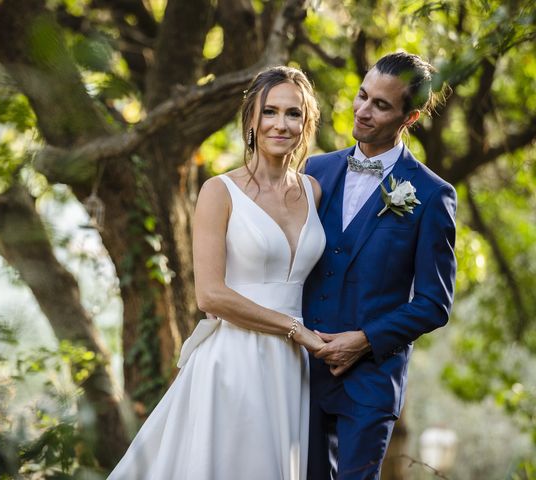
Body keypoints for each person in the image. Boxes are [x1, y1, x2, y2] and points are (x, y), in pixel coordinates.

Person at [108, 65, 326, 480]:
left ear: (307, 122)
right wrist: (296, 331)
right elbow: (209, 295)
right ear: (250, 120)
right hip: (236, 358)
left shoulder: (314, 191)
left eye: (293, 113)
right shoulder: (219, 191)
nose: (281, 124)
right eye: (270, 112)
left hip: (294, 365)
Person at [303, 51, 457, 479]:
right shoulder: (313, 171)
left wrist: (365, 340)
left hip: (370, 383)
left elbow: (433, 303)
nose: (363, 112)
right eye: (362, 96)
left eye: (381, 105)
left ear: (410, 118)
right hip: (301, 372)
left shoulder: (431, 194)